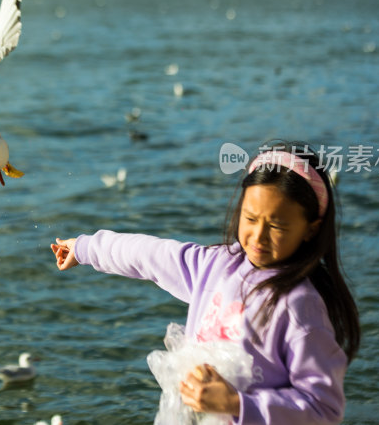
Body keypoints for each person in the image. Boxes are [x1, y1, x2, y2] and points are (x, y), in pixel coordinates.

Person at [51, 142, 360, 424]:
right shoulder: (214, 265)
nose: (258, 236)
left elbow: (323, 409)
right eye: (250, 218)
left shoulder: (299, 306)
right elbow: (147, 254)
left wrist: (237, 404)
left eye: (277, 225)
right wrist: (84, 248)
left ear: (310, 229)